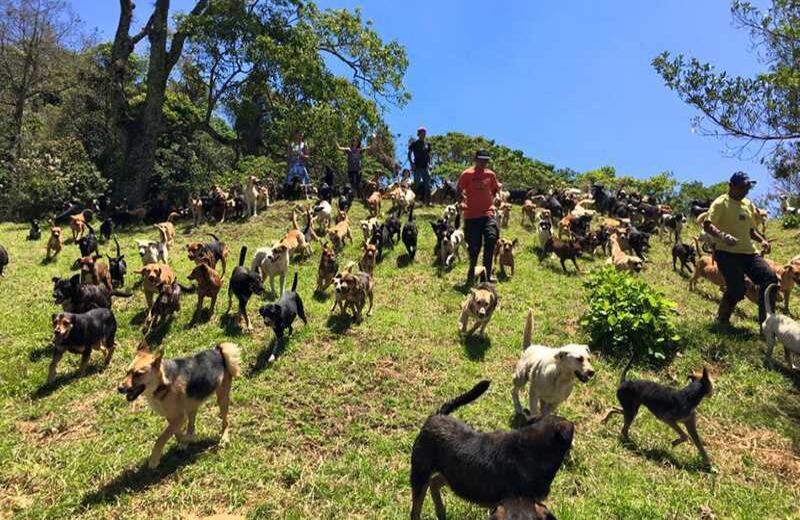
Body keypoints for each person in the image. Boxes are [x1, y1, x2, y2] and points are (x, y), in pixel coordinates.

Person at [703, 171, 777, 328]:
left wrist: (762, 240)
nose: (745, 191)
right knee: (737, 289)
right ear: (731, 186)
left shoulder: (747, 204)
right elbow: (707, 225)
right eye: (742, 187)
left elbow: (751, 230)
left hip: (749, 253)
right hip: (726, 253)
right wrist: (723, 236)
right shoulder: (721, 203)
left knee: (770, 279)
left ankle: (767, 325)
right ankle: (722, 319)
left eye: (747, 188)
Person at [457, 150, 500, 285]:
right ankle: (471, 273)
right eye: (481, 160)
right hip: (471, 216)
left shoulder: (490, 175)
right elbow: (458, 190)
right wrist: (461, 201)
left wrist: (497, 198)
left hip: (488, 214)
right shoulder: (467, 174)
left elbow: (495, 190)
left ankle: (486, 275)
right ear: (475, 159)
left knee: (491, 239)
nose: (483, 162)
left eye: (486, 160)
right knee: (474, 247)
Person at [408, 127, 432, 204]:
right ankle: (413, 201)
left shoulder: (427, 144)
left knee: (427, 185)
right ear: (418, 134)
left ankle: (427, 203)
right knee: (416, 185)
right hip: (417, 167)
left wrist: (430, 164)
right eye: (422, 133)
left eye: (424, 133)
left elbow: (429, 155)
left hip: (425, 167)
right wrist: (411, 163)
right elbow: (409, 153)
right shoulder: (414, 143)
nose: (423, 134)